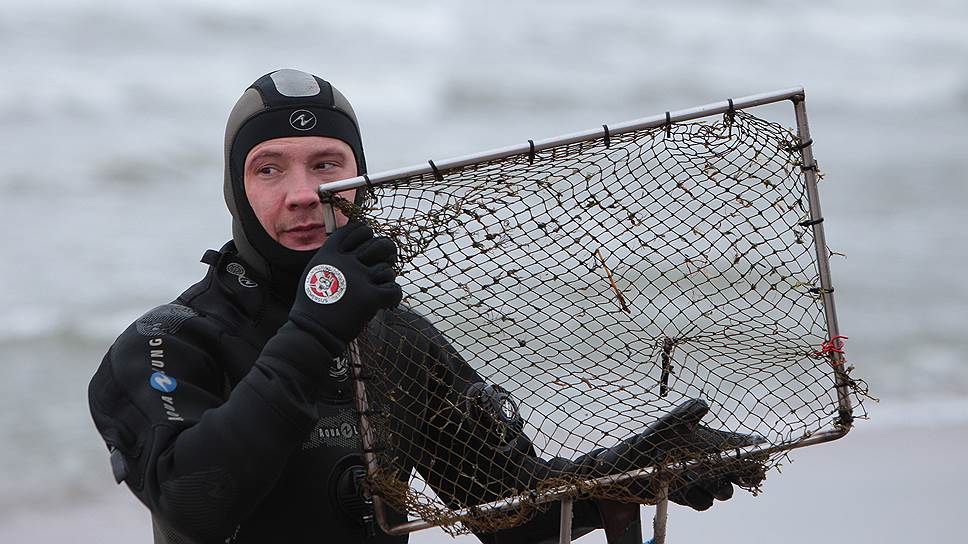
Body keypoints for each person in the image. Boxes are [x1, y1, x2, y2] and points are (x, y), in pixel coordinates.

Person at [88, 69, 760, 544]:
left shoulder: (396, 341)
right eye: (270, 168)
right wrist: (316, 329)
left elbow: (514, 514)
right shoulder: (170, 344)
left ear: (360, 176)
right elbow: (195, 505)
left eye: (326, 164)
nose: (301, 193)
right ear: (235, 189)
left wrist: (633, 474)